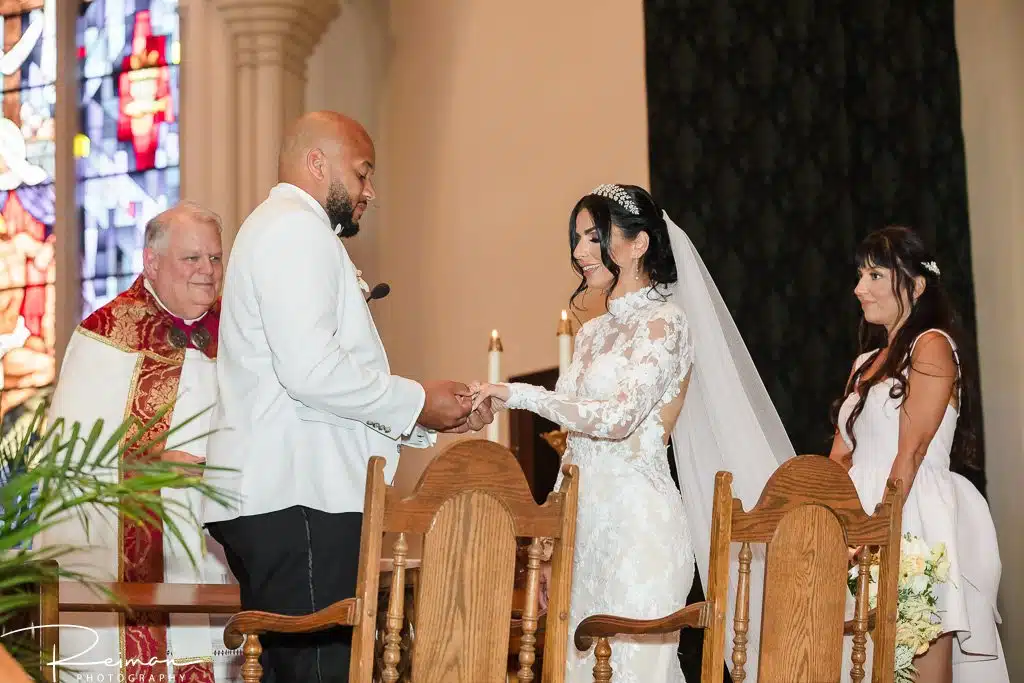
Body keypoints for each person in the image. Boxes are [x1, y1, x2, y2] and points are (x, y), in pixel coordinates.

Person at [203, 111, 494, 683]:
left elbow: (313, 377)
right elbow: (311, 370)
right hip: (299, 496)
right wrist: (416, 401)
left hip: (294, 495)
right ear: (318, 164)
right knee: (320, 672)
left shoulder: (285, 227)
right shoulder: (294, 228)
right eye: (362, 174)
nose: (370, 191)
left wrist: (426, 416)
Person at [473, 184, 793, 683]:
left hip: (640, 528)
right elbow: (575, 449)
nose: (579, 252)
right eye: (576, 238)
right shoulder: (592, 333)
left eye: (594, 236)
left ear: (639, 244)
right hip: (585, 529)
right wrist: (554, 542)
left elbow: (617, 418)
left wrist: (520, 395)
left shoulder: (668, 324)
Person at [37, 201, 239, 683]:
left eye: (214, 258)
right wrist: (154, 463)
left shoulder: (235, 336)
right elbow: (70, 463)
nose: (207, 272)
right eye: (192, 259)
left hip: (217, 554)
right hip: (136, 558)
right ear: (151, 262)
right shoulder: (105, 337)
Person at [830, 226, 1007, 683]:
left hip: (909, 518)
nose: (858, 288)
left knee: (915, 663)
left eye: (873, 275)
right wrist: (828, 523)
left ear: (916, 283)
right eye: (859, 275)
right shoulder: (861, 364)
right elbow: (838, 460)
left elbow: (910, 452)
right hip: (855, 521)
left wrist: (871, 531)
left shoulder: (932, 346)